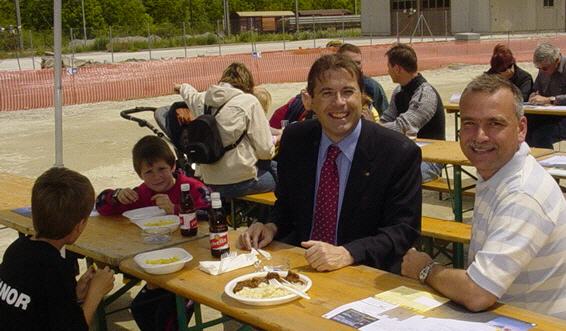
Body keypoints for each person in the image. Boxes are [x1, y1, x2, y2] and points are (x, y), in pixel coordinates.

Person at [402, 74, 566, 319]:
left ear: (521, 129)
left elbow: (478, 293)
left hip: (531, 321)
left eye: (494, 124)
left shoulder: (523, 193)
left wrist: (426, 269)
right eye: (469, 123)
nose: (479, 136)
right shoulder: (497, 172)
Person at [239, 54, 422, 273]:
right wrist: (271, 226)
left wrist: (348, 253)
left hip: (365, 270)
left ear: (363, 97)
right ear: (310, 101)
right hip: (303, 265)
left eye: (348, 92)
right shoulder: (296, 139)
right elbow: (286, 205)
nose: (339, 102)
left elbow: (403, 231)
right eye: (327, 93)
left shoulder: (398, 152)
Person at [0, 167, 115, 330]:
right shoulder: (55, 267)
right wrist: (95, 294)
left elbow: (38, 304)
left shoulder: (17, 249)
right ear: (79, 226)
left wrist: (75, 295)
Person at [177, 62, 276, 199]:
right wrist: (276, 140)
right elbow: (265, 151)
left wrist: (181, 87)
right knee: (282, 175)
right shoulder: (249, 102)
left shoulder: (204, 99)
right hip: (238, 182)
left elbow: (190, 95)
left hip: (208, 181)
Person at [96, 135, 210, 216]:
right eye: (149, 172)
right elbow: (101, 207)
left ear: (173, 166)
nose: (156, 176)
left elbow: (211, 213)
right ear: (140, 175)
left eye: (161, 169)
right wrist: (117, 196)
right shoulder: (141, 194)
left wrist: (176, 209)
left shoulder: (194, 188)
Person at [380, 43, 445, 182]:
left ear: (397, 68)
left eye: (388, 67)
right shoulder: (398, 92)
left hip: (430, 159)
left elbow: (404, 126)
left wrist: (372, 128)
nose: (387, 71)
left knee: (393, 178)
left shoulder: (425, 94)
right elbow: (386, 119)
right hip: (406, 154)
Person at [527, 42, 566, 148]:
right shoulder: (543, 69)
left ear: (557, 61)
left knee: (542, 135)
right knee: (524, 126)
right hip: (547, 114)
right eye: (538, 68)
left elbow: (546, 99)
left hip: (562, 117)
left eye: (544, 68)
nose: (541, 71)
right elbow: (536, 89)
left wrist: (550, 100)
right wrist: (533, 95)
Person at [337, 43, 389, 115]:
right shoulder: (326, 85)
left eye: (358, 63)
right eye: (351, 62)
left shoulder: (372, 87)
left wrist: (371, 123)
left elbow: (385, 117)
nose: (355, 66)